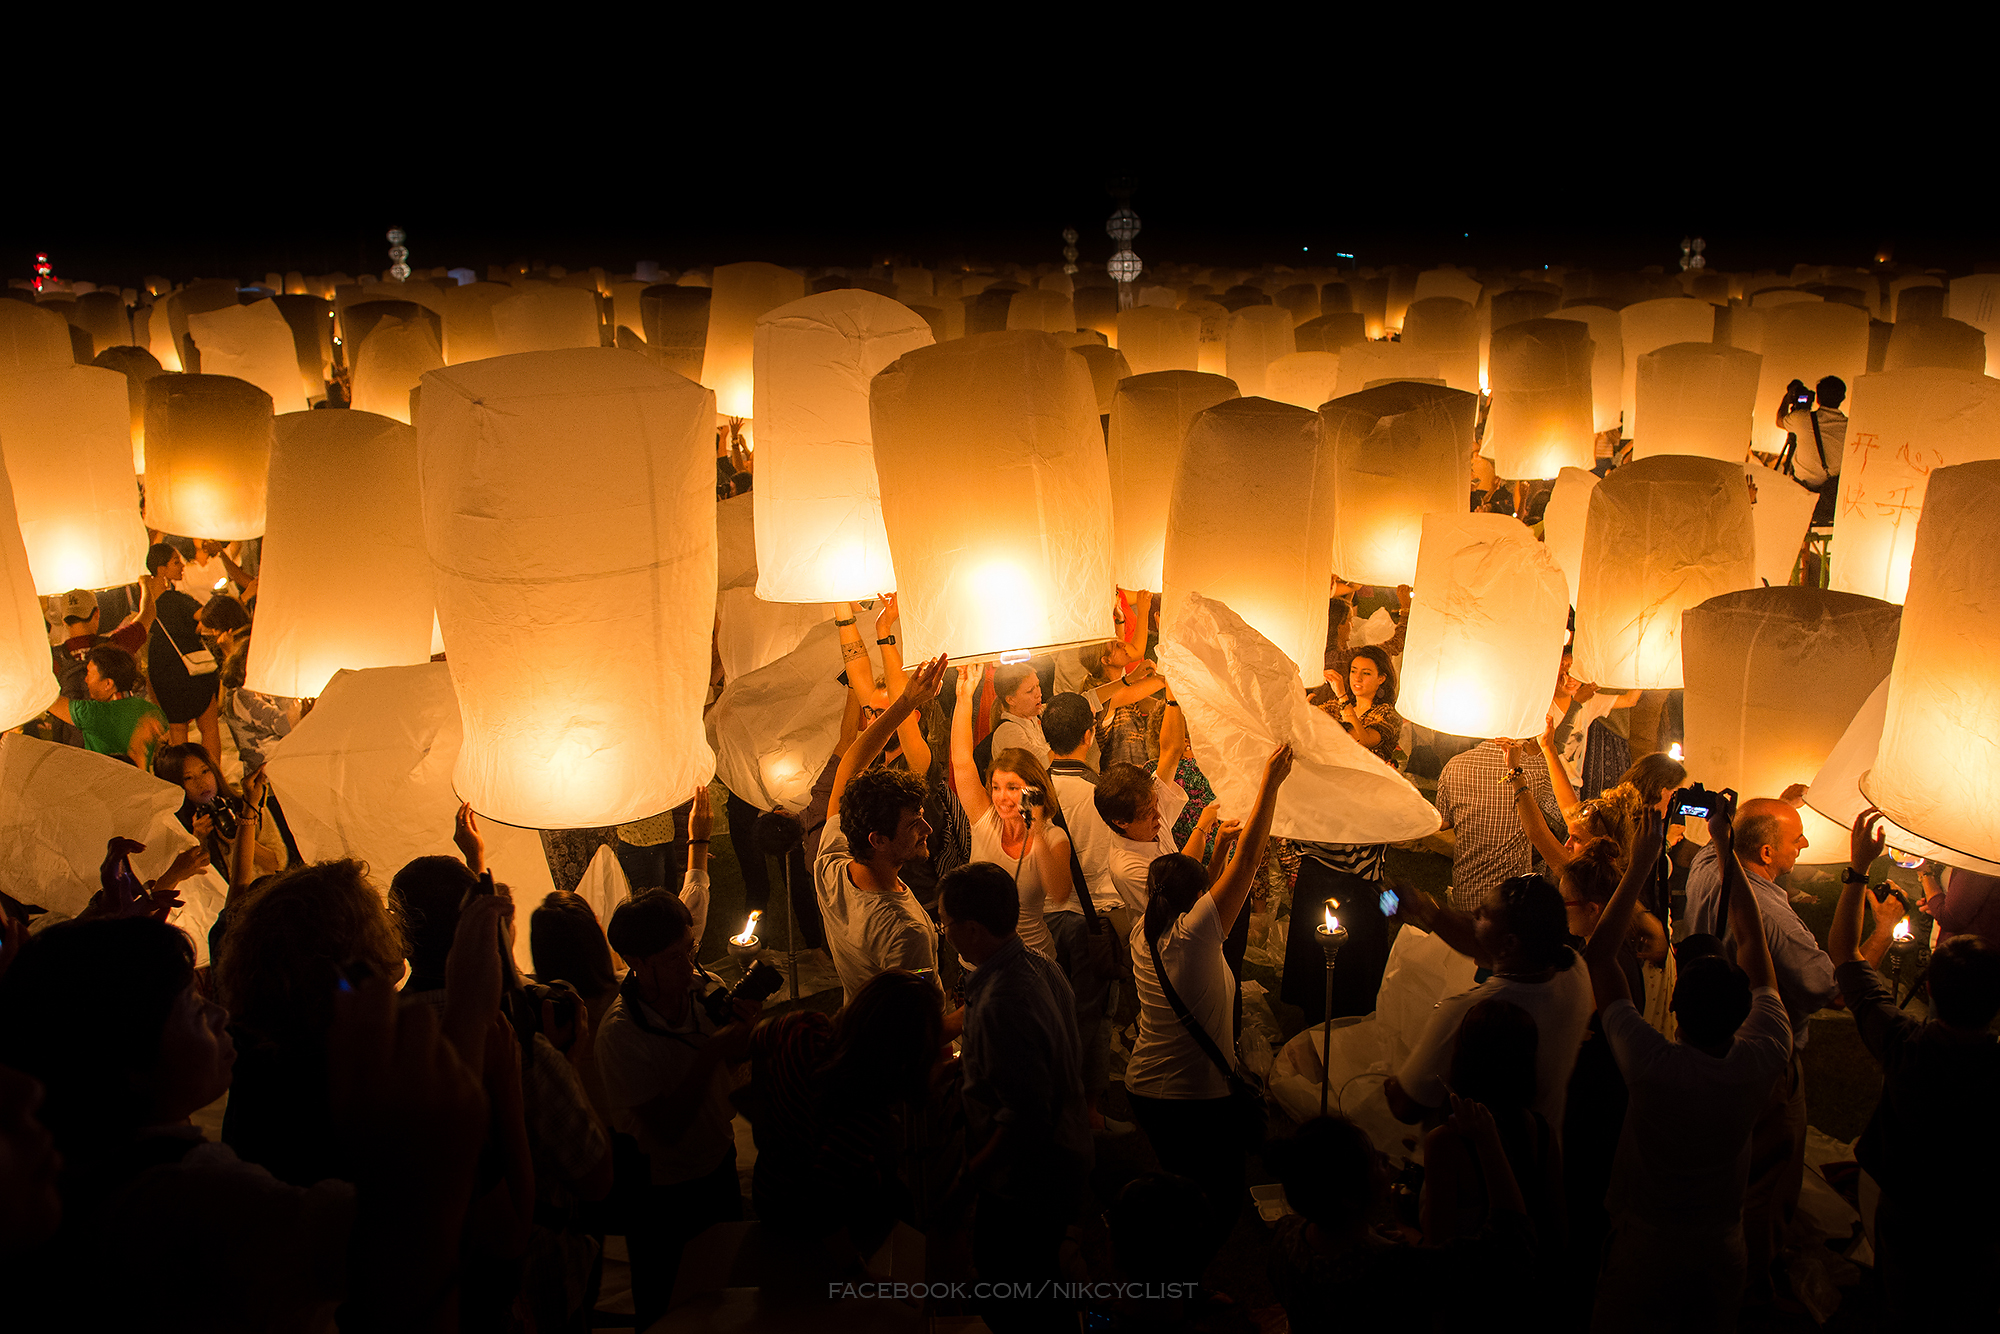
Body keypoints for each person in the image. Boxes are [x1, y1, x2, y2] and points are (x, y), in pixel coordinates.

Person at [0, 915, 487, 1333]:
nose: (219, 1014)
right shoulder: (201, 1203)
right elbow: (401, 1257)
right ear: (123, 1058)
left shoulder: (89, 1166)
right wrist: (470, 1006)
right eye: (192, 1007)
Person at [1587, 803, 1793, 1331]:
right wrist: (1725, 845)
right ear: (1745, 1010)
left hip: (1646, 1249)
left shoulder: (1653, 1066)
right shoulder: (1765, 1050)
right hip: (1721, 1246)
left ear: (1674, 1009)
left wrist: (1640, 863)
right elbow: (1752, 941)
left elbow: (1600, 959)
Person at [1831, 807, 2000, 1331]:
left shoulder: (1905, 1044)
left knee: (1900, 1303)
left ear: (1929, 988)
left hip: (1907, 1212)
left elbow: (1845, 958)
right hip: (1978, 1224)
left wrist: (1859, 870)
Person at [1126, 743, 1291, 1260]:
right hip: (1189, 1097)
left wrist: (1215, 847)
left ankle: (1170, 1278)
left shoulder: (1144, 928)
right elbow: (1247, 865)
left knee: (1178, 1186)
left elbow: (1195, 877)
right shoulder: (1196, 936)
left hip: (1144, 1088)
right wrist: (1270, 785)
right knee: (1212, 1199)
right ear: (1196, 901)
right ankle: (1182, 1285)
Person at [1675, 795, 1842, 1296]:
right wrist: (1873, 931)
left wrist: (1761, 815)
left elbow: (1723, 841)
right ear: (1766, 854)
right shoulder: (1771, 915)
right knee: (1767, 1181)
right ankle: (1757, 1284)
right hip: (1765, 1065)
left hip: (1714, 1046)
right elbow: (1824, 986)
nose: (1806, 845)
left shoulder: (1708, 862)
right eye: (1796, 839)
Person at [596, 889, 763, 1328]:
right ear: (636, 960)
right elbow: (666, 1129)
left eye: (690, 949)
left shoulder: (703, 992)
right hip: (660, 1192)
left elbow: (737, 1072)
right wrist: (710, 1054)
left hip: (717, 1165)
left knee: (728, 1289)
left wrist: (746, 1038)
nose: (690, 967)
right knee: (668, 1304)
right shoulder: (621, 1035)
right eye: (673, 958)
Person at [938, 861, 1092, 1333]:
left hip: (1025, 1184)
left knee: (1017, 1296)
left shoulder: (1005, 1002)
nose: (944, 934)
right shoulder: (1038, 965)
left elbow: (1023, 1117)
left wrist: (968, 1177)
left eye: (946, 925)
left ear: (973, 929)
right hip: (1061, 1164)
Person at [1266, 1111, 1534, 1332]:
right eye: (1373, 1159)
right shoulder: (1397, 1271)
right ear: (1349, 1198)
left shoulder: (1284, 1236)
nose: (1384, 1156)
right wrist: (1488, 1139)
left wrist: (1374, 1240)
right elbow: (1511, 1245)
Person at [743, 968, 942, 1251]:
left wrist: (762, 1116)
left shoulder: (804, 1028)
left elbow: (756, 1042)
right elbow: (823, 1200)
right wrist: (854, 1272)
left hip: (768, 1191)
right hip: (803, 1215)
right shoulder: (865, 1109)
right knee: (900, 1201)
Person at [1388, 873, 1594, 1137]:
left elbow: (1406, 1106)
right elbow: (1482, 943)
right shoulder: (1574, 971)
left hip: (1474, 1164)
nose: (1473, 913)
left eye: (1483, 914)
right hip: (1542, 1154)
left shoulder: (1470, 1015)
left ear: (1510, 942)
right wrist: (1423, 907)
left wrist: (1392, 1085)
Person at [817, 657, 948, 1004]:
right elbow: (924, 1020)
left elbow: (849, 765)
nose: (927, 828)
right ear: (878, 840)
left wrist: (905, 702)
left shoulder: (830, 867)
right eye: (913, 824)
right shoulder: (906, 932)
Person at [1036, 690, 1122, 1123]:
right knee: (1090, 1014)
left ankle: (1049, 1099)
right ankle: (1088, 1110)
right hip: (1093, 918)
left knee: (1046, 1010)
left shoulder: (1030, 790)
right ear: (1089, 734)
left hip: (1042, 919)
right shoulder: (1101, 793)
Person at [1418, 998, 1565, 1251]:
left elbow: (1437, 1254)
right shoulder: (1541, 1132)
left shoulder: (1446, 1142)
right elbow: (1559, 1235)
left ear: (1462, 1056)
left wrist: (1404, 1231)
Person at [952, 663, 1074, 963]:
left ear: (1033, 789)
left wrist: (1036, 833)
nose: (1002, 796)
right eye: (996, 787)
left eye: (1013, 787)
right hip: (976, 964)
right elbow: (962, 763)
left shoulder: (1053, 837)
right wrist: (965, 696)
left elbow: (1059, 892)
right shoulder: (986, 822)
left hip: (1032, 963)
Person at [1434, 735, 1567, 911]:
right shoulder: (1537, 769)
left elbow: (1443, 821)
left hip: (1466, 896)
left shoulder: (1453, 765)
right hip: (1512, 903)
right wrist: (1539, 751)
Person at [196, 594, 298, 776]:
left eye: (213, 629)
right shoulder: (255, 640)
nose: (212, 635)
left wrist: (228, 654)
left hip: (269, 767)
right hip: (272, 763)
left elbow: (283, 723)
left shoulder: (247, 652)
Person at [153, 743, 280, 886]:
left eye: (205, 771)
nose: (201, 783)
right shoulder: (177, 828)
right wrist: (199, 838)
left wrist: (242, 835)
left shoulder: (248, 804)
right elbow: (199, 885)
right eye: (188, 778)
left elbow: (277, 864)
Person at [144, 542, 223, 764]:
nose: (182, 567)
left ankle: (182, 779)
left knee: (177, 731)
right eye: (176, 562)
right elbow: (207, 618)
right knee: (209, 728)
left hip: (163, 673)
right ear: (161, 569)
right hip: (193, 671)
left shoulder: (146, 605)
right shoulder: (176, 600)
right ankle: (213, 774)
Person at [44, 644, 169, 769]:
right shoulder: (152, 710)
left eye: (89, 674)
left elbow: (44, 699)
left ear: (108, 683)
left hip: (109, 784)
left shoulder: (94, 714)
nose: (86, 680)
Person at [45, 581, 158, 700]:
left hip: (69, 717)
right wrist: (145, 583)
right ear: (97, 613)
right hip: (110, 717)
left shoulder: (52, 659)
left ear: (64, 620)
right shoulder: (116, 646)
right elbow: (149, 613)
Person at [1776, 375, 1847, 522]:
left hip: (1802, 492)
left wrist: (1787, 398)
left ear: (1818, 398)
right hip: (1830, 498)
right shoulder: (1849, 426)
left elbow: (1779, 420)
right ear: (1842, 398)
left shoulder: (1802, 419)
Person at [1916, 863, 2000, 951]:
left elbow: (1950, 919)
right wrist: (1937, 904)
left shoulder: (1978, 861)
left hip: (1968, 953)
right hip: (1959, 948)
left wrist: (1923, 871)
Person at [987, 660, 1050, 766]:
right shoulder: (1008, 731)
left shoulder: (1034, 717)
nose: (1038, 693)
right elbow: (1041, 764)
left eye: (1038, 685)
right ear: (1011, 700)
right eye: (1030, 691)